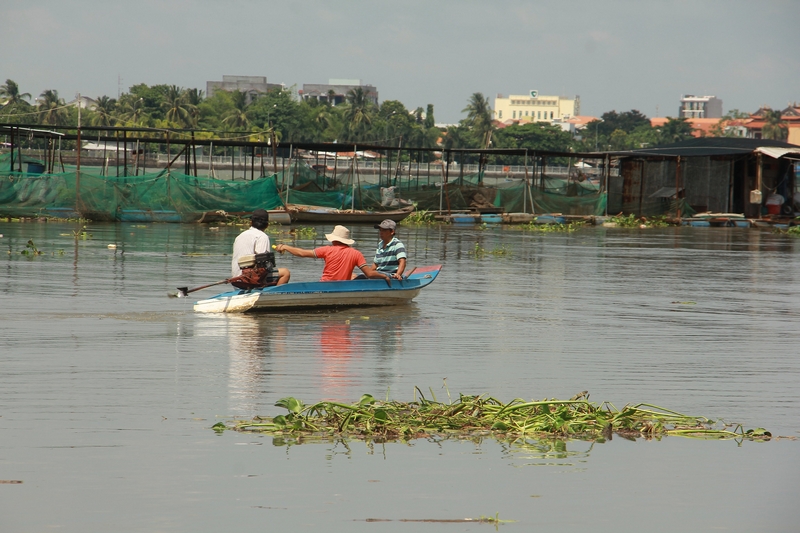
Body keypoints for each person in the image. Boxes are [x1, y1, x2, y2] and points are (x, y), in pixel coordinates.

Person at [275, 225, 391, 282]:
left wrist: (285, 246)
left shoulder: (327, 250)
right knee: (354, 276)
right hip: (341, 287)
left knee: (354, 276)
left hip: (324, 285)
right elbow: (370, 274)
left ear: (334, 239)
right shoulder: (356, 253)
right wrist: (384, 276)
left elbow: (302, 253)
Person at [231, 209, 290, 285]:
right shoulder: (262, 236)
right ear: (267, 225)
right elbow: (264, 264)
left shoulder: (239, 236)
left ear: (250, 223)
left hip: (235, 278)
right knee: (285, 273)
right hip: (248, 279)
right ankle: (271, 294)